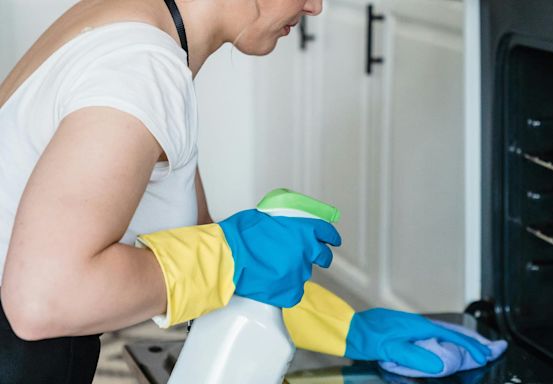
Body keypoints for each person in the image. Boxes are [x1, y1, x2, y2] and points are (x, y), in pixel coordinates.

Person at [0, 0, 492, 382]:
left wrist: (346, 329)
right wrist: (232, 251)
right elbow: (45, 299)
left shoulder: (133, 28)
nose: (317, 6)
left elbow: (199, 253)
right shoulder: (140, 69)